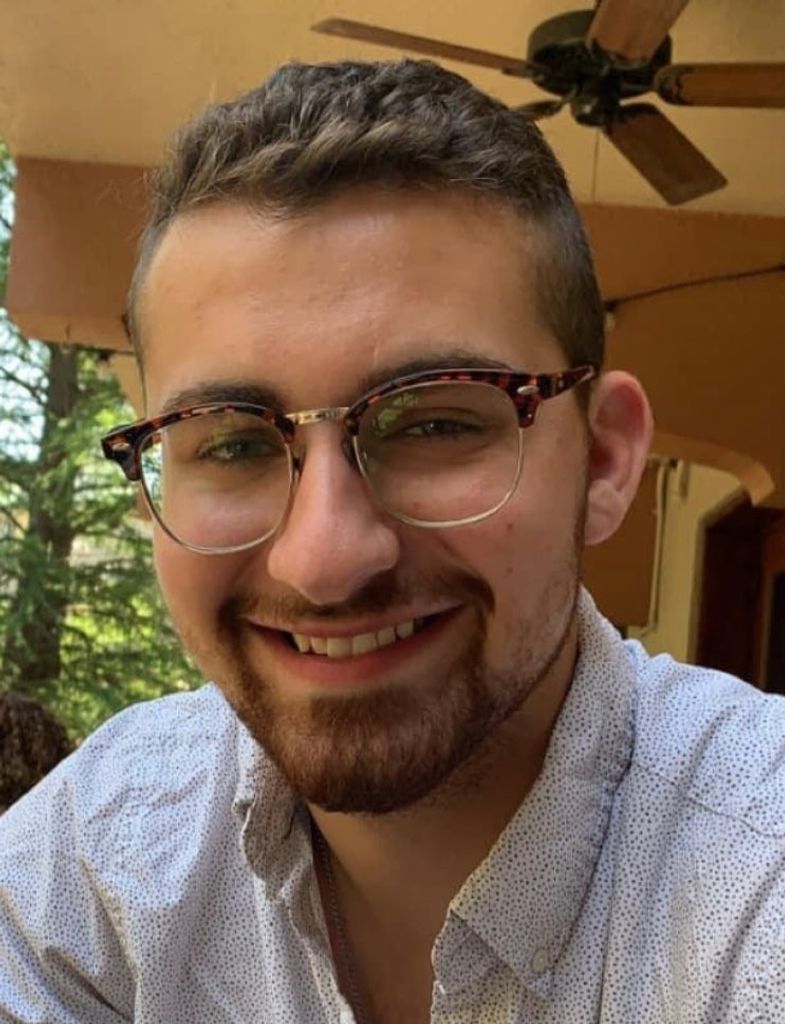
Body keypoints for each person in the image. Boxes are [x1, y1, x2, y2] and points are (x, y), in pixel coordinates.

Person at [1, 58, 783, 1024]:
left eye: (436, 423)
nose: (324, 560)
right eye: (234, 443)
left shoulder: (756, 876)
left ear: (604, 461)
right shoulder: (98, 860)